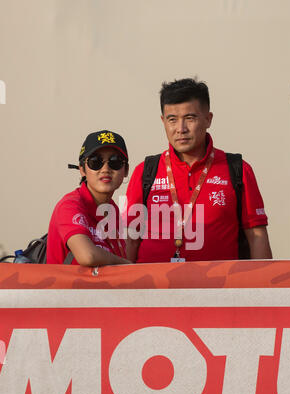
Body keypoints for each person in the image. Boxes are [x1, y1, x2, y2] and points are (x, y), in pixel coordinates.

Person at [125, 78, 272, 263]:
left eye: (190, 118)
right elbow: (131, 240)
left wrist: (262, 290)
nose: (181, 129)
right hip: (154, 288)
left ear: (208, 119)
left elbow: (256, 236)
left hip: (220, 289)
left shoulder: (238, 169)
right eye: (172, 120)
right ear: (163, 121)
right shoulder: (146, 171)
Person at [46, 130, 131, 266]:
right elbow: (88, 256)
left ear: (126, 170)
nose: (105, 169)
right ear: (82, 169)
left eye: (115, 161)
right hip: (65, 287)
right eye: (95, 161)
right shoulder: (69, 206)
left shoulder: (112, 210)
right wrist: (127, 266)